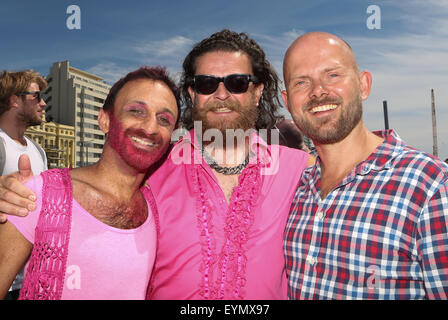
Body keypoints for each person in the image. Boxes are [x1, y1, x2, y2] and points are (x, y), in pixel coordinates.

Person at [0, 30, 312, 300]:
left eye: (237, 82)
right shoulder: (154, 168)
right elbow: (94, 188)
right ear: (192, 94)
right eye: (206, 84)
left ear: (257, 92)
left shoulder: (300, 168)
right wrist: (27, 190)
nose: (221, 94)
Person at [281, 31, 448, 299]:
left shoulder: (431, 186)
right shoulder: (293, 189)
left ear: (364, 85)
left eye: (333, 75)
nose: (318, 91)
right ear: (287, 101)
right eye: (301, 82)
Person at [0, 66, 180, 300]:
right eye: (136, 111)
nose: (150, 128)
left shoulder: (158, 210)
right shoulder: (36, 195)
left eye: (164, 119)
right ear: (104, 120)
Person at [0, 70, 48, 300]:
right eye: (36, 96)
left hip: (30, 280)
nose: (43, 103)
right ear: (14, 100)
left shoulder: (37, 150)